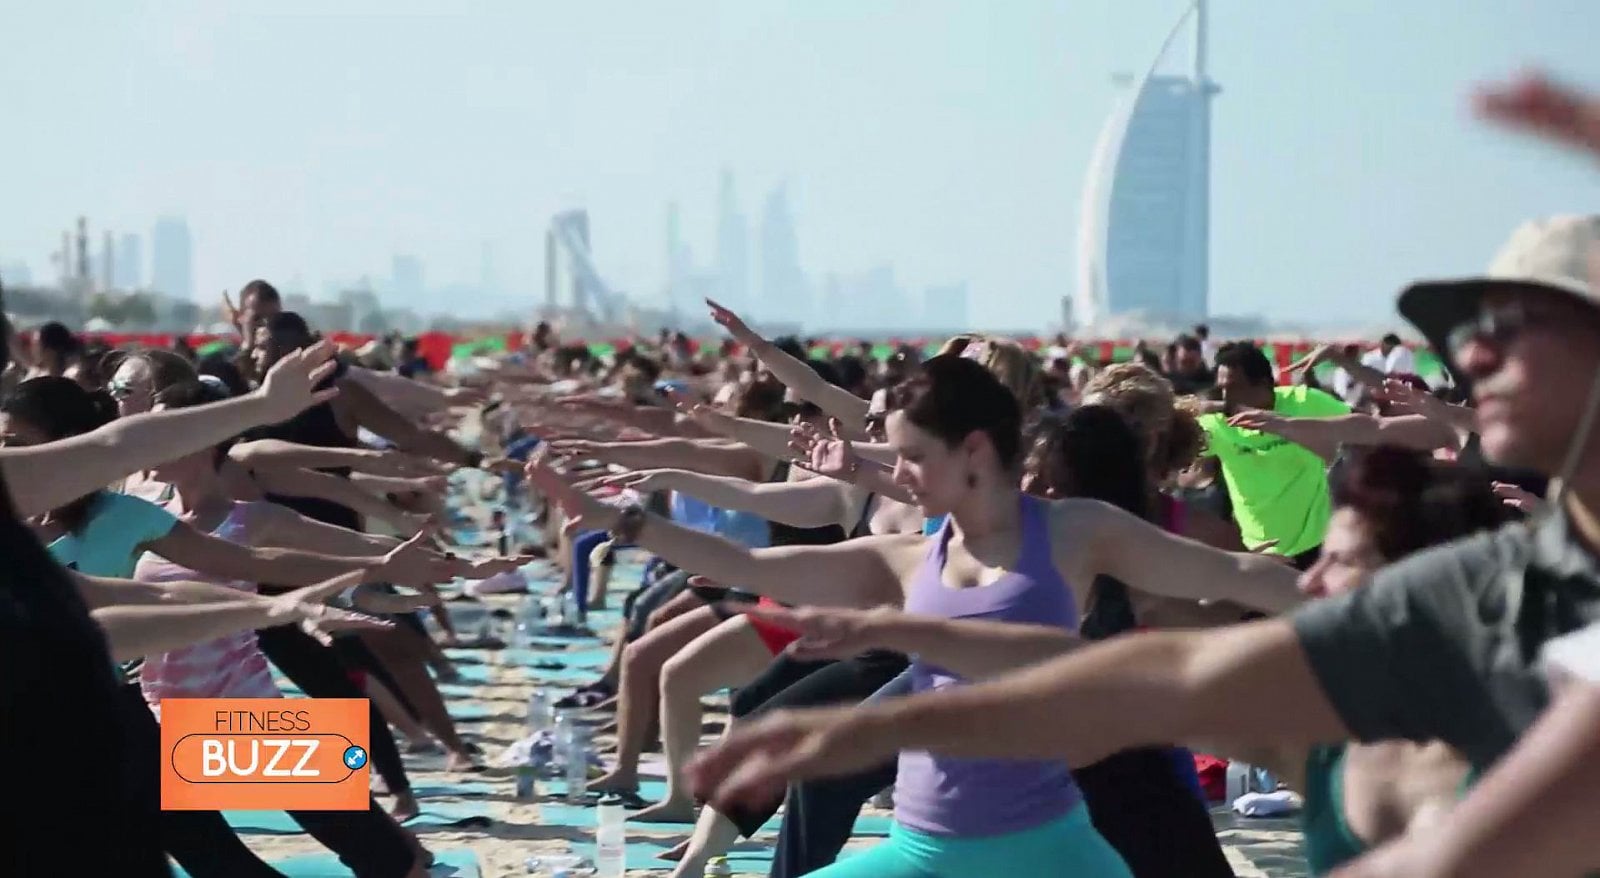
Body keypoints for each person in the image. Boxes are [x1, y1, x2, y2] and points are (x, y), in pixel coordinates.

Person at [684, 215, 1600, 878]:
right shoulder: (1478, 581)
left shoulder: (1090, 528)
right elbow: (1147, 685)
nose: (1474, 359)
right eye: (1471, 337)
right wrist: (859, 730)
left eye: (1515, 332)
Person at [528, 355, 1306, 878]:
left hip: (1049, 850)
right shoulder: (909, 556)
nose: (893, 472)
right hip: (922, 850)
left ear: (973, 450)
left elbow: (1234, 574)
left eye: (910, 455)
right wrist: (621, 520)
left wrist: (1378, 612)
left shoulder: (1075, 531)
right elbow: (755, 568)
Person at [1199, 342, 1351, 567]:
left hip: (1317, 545)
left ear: (1262, 384)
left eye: (1233, 388)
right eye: (1221, 388)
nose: (1224, 397)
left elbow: (1366, 428)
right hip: (1259, 551)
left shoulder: (1306, 402)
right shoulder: (1215, 424)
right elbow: (1172, 447)